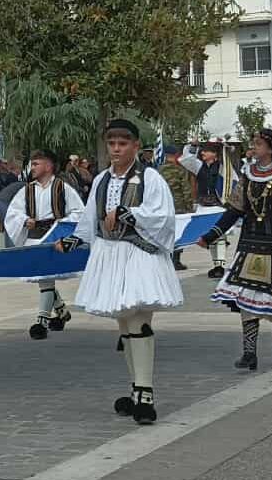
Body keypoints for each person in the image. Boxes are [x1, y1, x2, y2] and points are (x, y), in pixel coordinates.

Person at [55, 119, 183, 426]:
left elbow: (164, 218)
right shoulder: (101, 179)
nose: (115, 149)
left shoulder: (151, 178)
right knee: (125, 323)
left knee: (138, 320)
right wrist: (75, 240)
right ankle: (136, 388)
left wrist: (128, 213)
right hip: (110, 255)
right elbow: (90, 219)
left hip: (139, 255)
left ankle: (146, 392)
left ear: (136, 146)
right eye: (111, 143)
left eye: (122, 143)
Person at [196, 128, 272, 370]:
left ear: (270, 147)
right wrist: (211, 235)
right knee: (246, 300)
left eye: (257, 144)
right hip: (251, 244)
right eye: (253, 143)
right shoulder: (248, 174)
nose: (253, 148)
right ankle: (250, 353)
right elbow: (235, 209)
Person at [3, 150, 80, 340]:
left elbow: (79, 212)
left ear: (48, 166)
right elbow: (13, 212)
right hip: (35, 237)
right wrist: (24, 219)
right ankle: (61, 312)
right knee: (44, 277)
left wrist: (61, 225)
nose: (33, 168)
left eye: (36, 163)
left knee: (45, 277)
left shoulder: (63, 188)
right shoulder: (27, 189)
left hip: (54, 238)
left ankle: (41, 321)